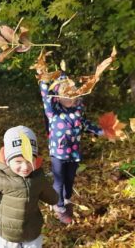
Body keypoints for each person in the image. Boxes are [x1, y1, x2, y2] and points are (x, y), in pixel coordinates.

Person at [40, 74, 104, 224]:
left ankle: (66, 199)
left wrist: (101, 131)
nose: (69, 98)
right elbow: (45, 97)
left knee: (69, 180)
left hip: (74, 152)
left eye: (72, 95)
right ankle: (59, 206)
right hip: (58, 152)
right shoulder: (53, 111)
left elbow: (86, 124)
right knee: (59, 180)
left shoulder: (78, 111)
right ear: (58, 96)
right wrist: (44, 80)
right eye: (65, 95)